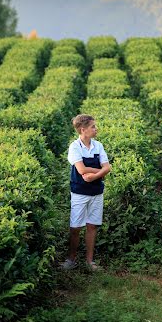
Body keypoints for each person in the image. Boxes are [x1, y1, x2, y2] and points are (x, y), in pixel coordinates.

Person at [60, 114, 111, 271]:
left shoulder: (98, 146)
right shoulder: (75, 147)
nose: (96, 129)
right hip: (80, 193)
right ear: (83, 130)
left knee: (92, 226)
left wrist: (93, 176)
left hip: (96, 192)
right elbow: (81, 169)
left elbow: (108, 167)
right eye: (93, 127)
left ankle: (89, 261)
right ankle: (71, 259)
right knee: (75, 227)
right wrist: (99, 171)